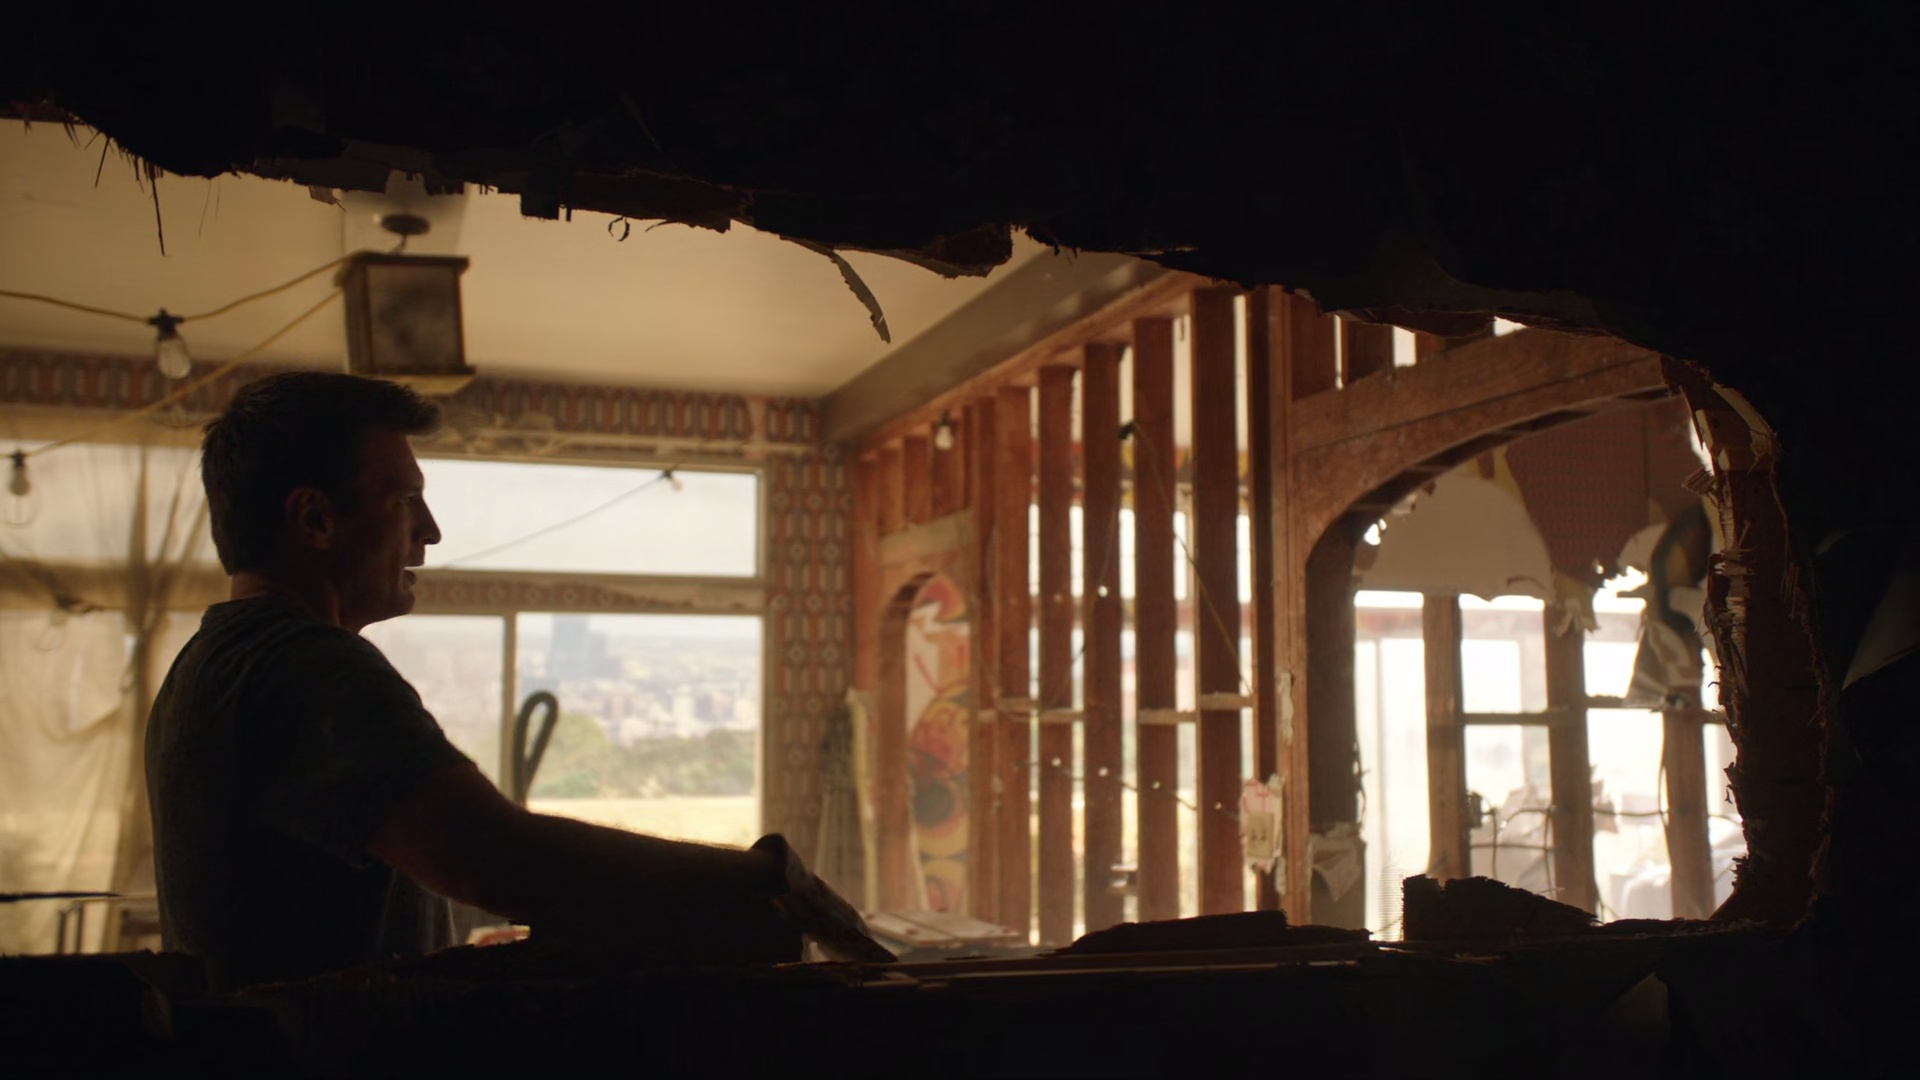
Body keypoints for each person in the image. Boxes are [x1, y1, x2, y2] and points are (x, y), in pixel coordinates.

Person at [146, 372, 881, 989]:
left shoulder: (213, 662)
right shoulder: (303, 666)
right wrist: (763, 883)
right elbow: (492, 857)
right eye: (404, 499)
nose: (430, 531)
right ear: (315, 520)